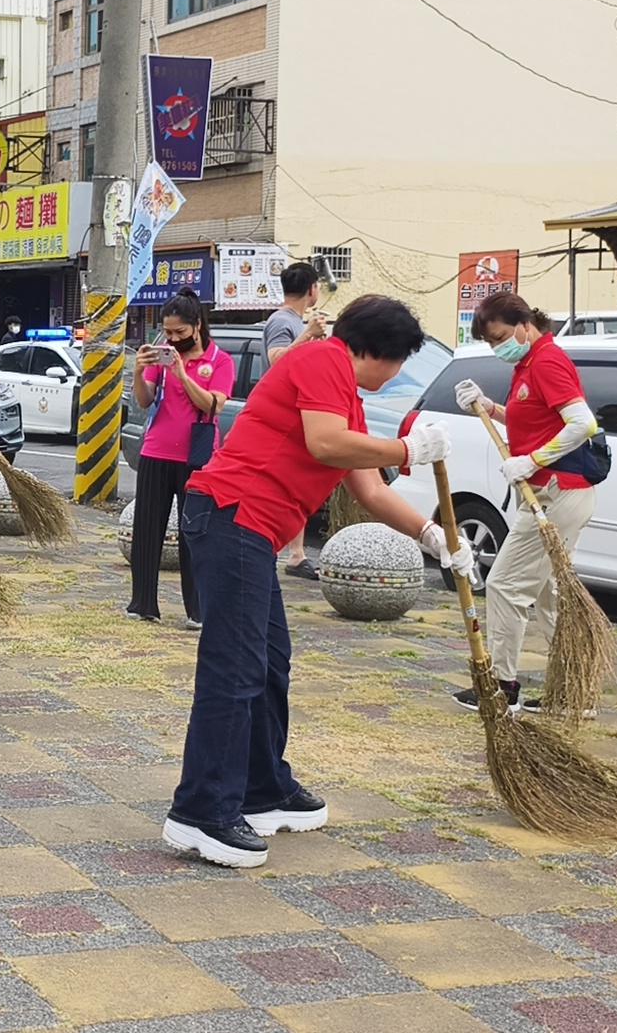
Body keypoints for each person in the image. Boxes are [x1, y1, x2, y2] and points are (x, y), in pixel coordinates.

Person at [163, 295, 471, 869]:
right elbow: (324, 445)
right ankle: (201, 812)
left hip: (249, 529)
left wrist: (436, 538)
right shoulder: (319, 361)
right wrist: (407, 448)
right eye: (401, 362)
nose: (399, 374)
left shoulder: (344, 398)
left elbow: (371, 490)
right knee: (236, 665)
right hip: (233, 513)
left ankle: (262, 788)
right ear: (379, 352)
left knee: (269, 661)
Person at [451, 293, 600, 714]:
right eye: (490, 342)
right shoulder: (528, 364)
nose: (498, 347)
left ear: (524, 324)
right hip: (552, 490)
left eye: (500, 337)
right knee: (550, 594)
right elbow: (535, 421)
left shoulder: (548, 361)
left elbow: (581, 423)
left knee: (503, 585)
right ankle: (573, 692)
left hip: (557, 491)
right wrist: (489, 407)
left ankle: (501, 684)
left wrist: (531, 461)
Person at [127, 289, 234, 626]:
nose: (173, 339)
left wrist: (183, 375)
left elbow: (213, 405)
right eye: (168, 333)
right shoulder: (164, 358)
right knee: (147, 530)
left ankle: (198, 610)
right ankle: (142, 604)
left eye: (180, 333)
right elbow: (145, 402)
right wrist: (138, 372)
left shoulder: (220, 361)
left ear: (197, 326)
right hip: (156, 451)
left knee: (195, 533)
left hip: (197, 457)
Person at [262, 261, 330, 581]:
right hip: (282, 415)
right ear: (312, 289)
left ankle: (296, 553)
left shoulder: (294, 321)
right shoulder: (281, 320)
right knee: (283, 486)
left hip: (297, 411)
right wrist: (308, 335)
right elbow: (277, 360)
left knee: (295, 485)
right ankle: (289, 552)